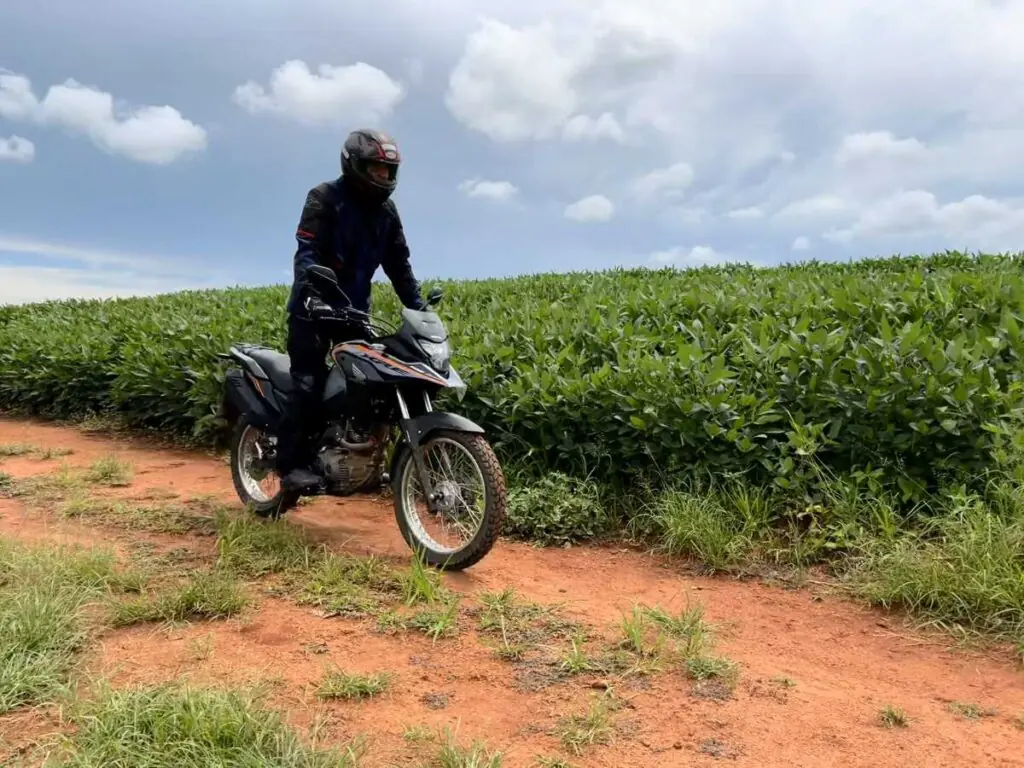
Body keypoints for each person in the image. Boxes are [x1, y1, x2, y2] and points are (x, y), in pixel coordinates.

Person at [276, 128, 427, 491]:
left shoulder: (387, 212)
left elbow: (399, 266)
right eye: (376, 169)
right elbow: (307, 253)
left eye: (389, 171)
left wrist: (420, 309)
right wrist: (313, 294)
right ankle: (291, 465)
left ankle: (362, 459)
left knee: (371, 386)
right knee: (308, 383)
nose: (384, 177)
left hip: (355, 312)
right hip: (313, 309)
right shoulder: (325, 198)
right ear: (354, 165)